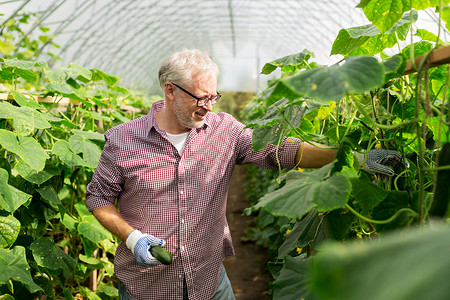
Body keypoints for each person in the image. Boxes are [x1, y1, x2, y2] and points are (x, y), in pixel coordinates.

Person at [85, 48, 401, 300]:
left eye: (213, 96)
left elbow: (283, 150)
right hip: (147, 286)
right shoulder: (124, 139)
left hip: (208, 280)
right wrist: (132, 237)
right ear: (170, 90)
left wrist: (353, 157)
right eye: (201, 97)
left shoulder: (225, 131)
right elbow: (98, 196)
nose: (209, 106)